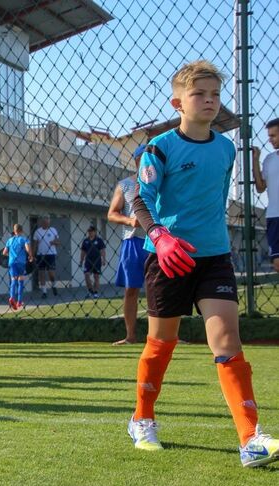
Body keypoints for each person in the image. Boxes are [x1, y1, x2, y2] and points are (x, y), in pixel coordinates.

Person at [129, 60, 279, 466]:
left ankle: (250, 439)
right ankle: (142, 418)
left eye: (215, 94)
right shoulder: (160, 147)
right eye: (199, 94)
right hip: (168, 258)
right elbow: (140, 198)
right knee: (162, 343)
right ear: (178, 102)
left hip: (214, 257)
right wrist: (159, 237)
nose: (209, 100)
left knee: (227, 340)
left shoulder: (226, 148)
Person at [108, 144, 149, 345]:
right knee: (131, 289)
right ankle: (131, 336)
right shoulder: (125, 185)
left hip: (158, 241)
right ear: (137, 160)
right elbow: (112, 213)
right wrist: (129, 221)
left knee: (162, 289)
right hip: (133, 241)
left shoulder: (164, 182)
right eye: (145, 157)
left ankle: (167, 336)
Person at [251, 118, 279, 272]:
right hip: (274, 216)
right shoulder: (269, 160)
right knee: (277, 262)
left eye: (273, 136)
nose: (270, 140)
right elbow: (260, 187)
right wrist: (255, 160)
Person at [2, 224, 33, 310]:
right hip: (21, 263)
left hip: (12, 263)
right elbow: (27, 248)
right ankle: (19, 301)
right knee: (21, 281)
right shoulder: (23, 239)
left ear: (14, 231)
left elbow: (4, 252)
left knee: (13, 280)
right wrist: (30, 255)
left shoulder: (10, 240)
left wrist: (11, 255)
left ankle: (12, 297)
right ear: (22, 231)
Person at [32, 216, 59, 298]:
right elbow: (35, 244)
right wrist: (32, 255)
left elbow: (58, 242)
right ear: (42, 223)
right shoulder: (37, 232)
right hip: (40, 255)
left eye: (47, 222)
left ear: (49, 222)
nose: (46, 223)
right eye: (44, 222)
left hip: (51, 254)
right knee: (41, 273)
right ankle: (44, 292)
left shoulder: (53, 230)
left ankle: (53, 285)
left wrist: (54, 242)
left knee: (51, 273)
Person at [79, 226, 106, 298]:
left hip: (97, 261)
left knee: (96, 277)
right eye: (89, 231)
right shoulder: (85, 241)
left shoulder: (99, 240)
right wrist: (81, 261)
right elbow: (83, 252)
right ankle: (90, 291)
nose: (90, 233)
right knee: (86, 275)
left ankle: (95, 292)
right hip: (88, 261)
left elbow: (103, 250)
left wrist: (103, 259)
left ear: (95, 232)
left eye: (91, 231)